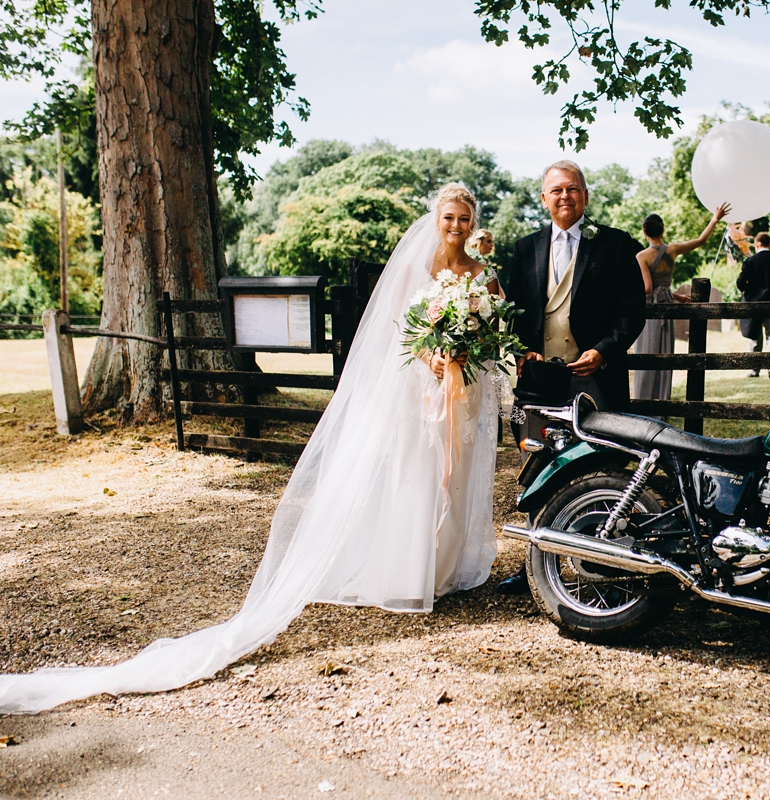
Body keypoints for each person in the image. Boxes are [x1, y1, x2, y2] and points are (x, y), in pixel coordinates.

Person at [0, 184, 506, 714]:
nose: (457, 225)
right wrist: (432, 356)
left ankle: (444, 568)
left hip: (463, 391)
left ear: (474, 222)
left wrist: (467, 350)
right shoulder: (416, 266)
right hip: (419, 389)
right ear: (436, 218)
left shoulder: (482, 274)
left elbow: (492, 330)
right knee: (419, 474)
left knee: (456, 472)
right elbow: (396, 329)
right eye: (450, 217)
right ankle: (410, 571)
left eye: (465, 218)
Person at [497, 159, 646, 595]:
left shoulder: (615, 245)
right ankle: (535, 566)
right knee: (539, 464)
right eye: (556, 190)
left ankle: (607, 559)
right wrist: (521, 347)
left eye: (573, 188)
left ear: (585, 194)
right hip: (540, 378)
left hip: (595, 375)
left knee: (603, 459)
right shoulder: (525, 248)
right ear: (543, 198)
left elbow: (631, 311)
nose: (565, 196)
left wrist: (603, 350)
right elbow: (515, 310)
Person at [632, 203, 731, 402]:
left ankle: (644, 400)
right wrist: (715, 218)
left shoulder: (642, 256)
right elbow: (701, 240)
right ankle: (662, 399)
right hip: (668, 304)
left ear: (644, 232)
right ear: (663, 230)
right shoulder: (673, 250)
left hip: (650, 309)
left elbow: (648, 289)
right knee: (665, 354)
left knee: (646, 353)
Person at [737, 232, 770, 379]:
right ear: (769, 244)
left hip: (754, 304)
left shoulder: (750, 261)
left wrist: (748, 288)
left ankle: (755, 369)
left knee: (755, 335)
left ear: (757, 244)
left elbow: (740, 283)